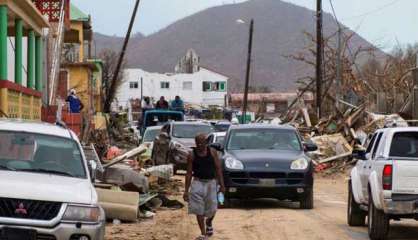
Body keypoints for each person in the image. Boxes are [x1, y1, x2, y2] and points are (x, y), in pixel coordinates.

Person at [184, 133, 225, 240]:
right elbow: (188, 173)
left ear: (206, 143)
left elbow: (218, 169)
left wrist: (222, 185)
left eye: (202, 143)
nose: (200, 145)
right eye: (198, 143)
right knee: (199, 210)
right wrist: (186, 190)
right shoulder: (191, 155)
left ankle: (209, 221)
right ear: (195, 143)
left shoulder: (212, 152)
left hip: (211, 183)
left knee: (213, 208)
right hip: (197, 183)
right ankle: (203, 233)